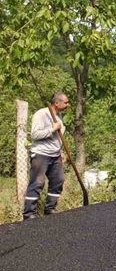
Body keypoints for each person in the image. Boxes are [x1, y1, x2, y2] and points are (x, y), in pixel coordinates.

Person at [23, 92, 70, 220]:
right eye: (66, 102)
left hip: (55, 155)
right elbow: (35, 135)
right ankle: (29, 213)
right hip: (41, 154)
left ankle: (50, 209)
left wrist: (61, 152)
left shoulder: (59, 116)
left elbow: (57, 139)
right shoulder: (41, 114)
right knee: (37, 182)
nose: (68, 105)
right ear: (57, 103)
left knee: (58, 181)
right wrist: (52, 128)